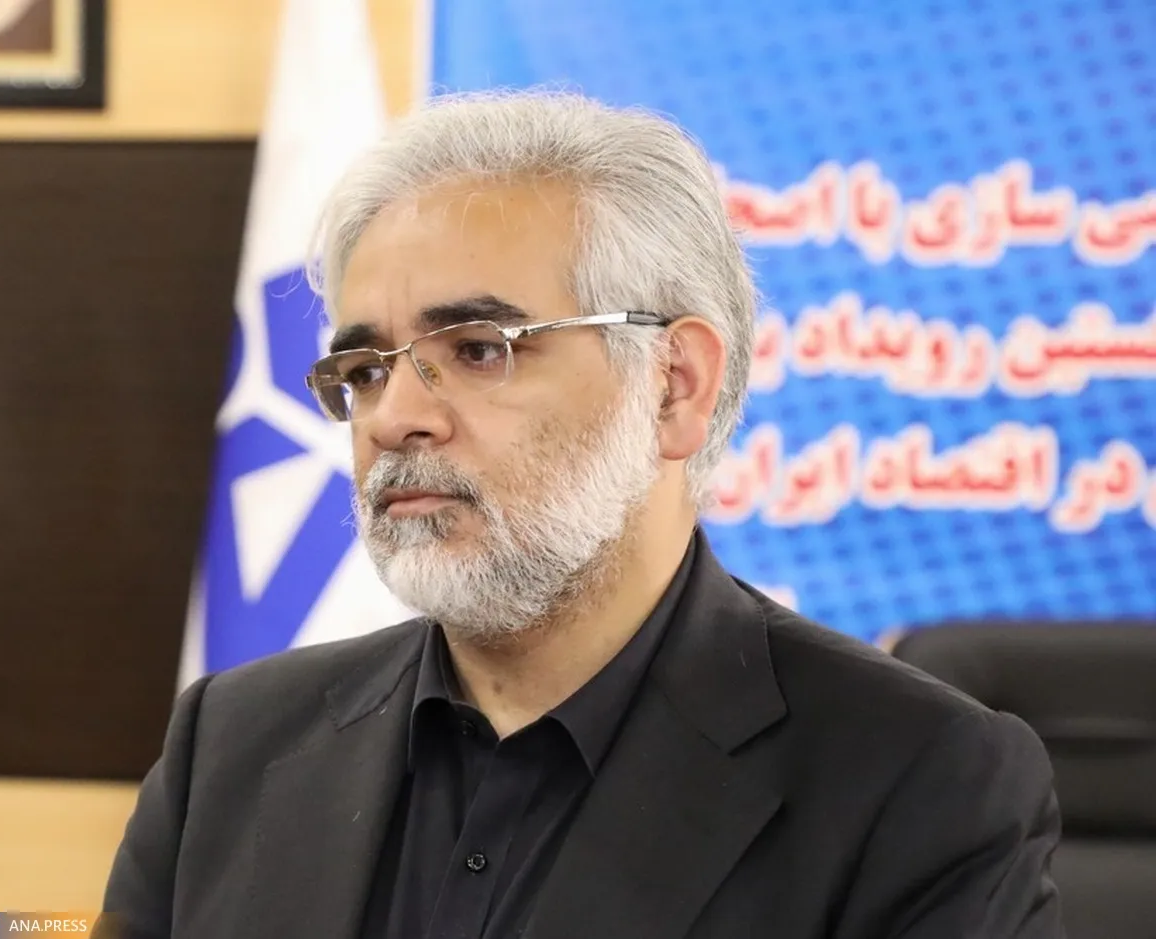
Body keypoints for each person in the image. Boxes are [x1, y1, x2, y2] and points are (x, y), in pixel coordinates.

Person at [99, 91, 1064, 939]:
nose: (393, 417)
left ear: (674, 386)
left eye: (479, 349)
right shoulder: (233, 744)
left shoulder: (916, 781)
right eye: (365, 369)